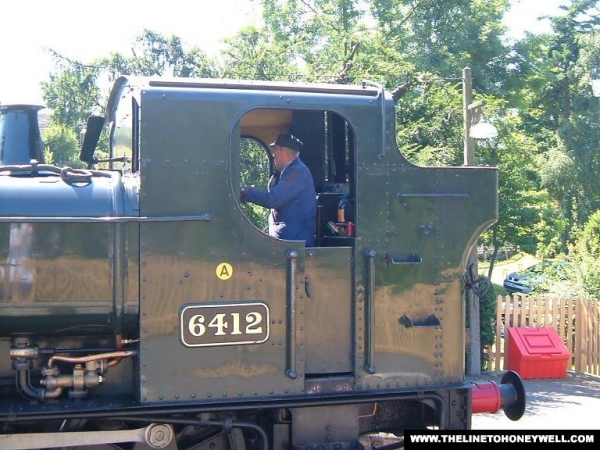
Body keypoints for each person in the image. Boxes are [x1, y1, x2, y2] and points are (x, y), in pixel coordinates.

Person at [241, 133, 317, 246]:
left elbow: (273, 199)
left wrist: (249, 192)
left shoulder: (297, 172)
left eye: (274, 150)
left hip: (293, 242)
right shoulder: (290, 171)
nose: (273, 155)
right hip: (288, 241)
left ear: (281, 149)